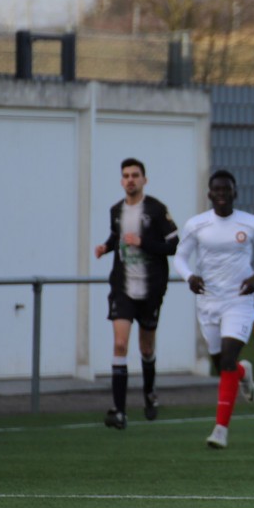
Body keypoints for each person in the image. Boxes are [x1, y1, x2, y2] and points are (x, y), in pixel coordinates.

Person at [172, 170, 254, 450]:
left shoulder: (251, 223)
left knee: (228, 359)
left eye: (226, 190)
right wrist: (190, 277)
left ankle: (220, 429)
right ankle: (244, 373)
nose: (221, 195)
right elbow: (181, 258)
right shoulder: (196, 225)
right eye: (216, 190)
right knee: (223, 366)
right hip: (208, 302)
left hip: (239, 301)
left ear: (234, 193)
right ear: (209, 195)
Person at [93, 158, 179, 430]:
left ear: (144, 179)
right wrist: (105, 248)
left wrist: (144, 242)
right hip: (123, 288)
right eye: (126, 176)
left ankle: (149, 394)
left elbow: (173, 245)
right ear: (121, 181)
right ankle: (118, 411)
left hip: (151, 289)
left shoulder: (156, 209)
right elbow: (115, 237)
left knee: (146, 347)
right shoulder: (115, 211)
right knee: (120, 344)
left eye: (135, 175)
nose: (130, 179)